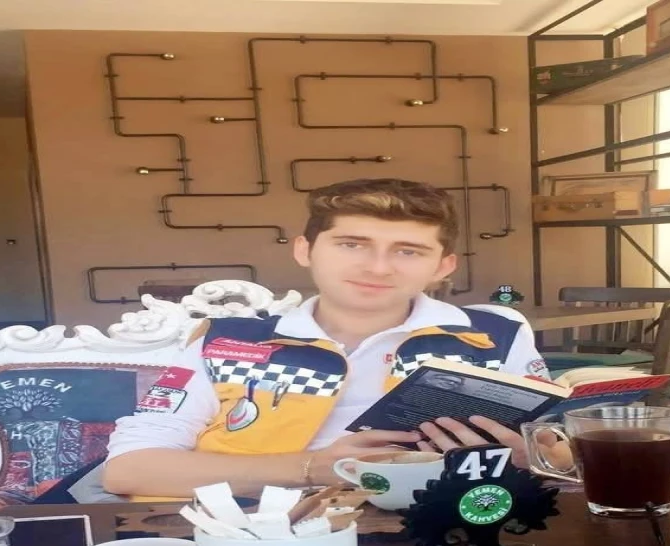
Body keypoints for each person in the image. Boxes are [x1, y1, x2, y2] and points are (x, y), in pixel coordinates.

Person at [103, 178, 554, 498]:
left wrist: (534, 458)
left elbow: (557, 451)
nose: (377, 267)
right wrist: (312, 469)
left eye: (408, 251)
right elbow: (130, 469)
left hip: (444, 528)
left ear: (442, 267)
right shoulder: (225, 343)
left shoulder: (495, 337)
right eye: (351, 244)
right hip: (256, 531)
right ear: (305, 250)